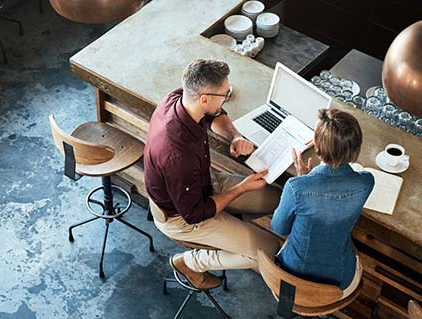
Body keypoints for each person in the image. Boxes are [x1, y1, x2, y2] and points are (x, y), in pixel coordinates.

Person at [144, 59, 281, 290]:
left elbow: (215, 115)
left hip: (203, 183)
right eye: (224, 94)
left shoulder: (180, 98)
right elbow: (195, 213)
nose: (227, 98)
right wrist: (241, 189)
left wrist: (235, 137)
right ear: (204, 98)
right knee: (268, 249)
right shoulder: (177, 156)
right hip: (182, 216)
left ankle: (233, 226)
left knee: (277, 198)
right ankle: (190, 263)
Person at [271, 108, 375, 290]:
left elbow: (279, 228)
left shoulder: (296, 187)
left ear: (317, 147)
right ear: (356, 148)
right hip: (337, 282)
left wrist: (303, 179)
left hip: (292, 277)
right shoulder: (366, 182)